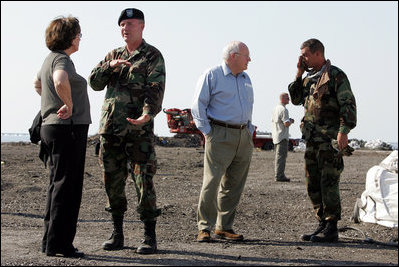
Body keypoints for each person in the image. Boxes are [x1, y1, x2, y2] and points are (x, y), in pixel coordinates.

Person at [88, 8, 165, 254]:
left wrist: (147, 114)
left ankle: (149, 236)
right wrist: (109, 66)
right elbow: (95, 82)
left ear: (142, 26)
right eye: (122, 24)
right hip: (110, 130)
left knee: (143, 181)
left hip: (138, 132)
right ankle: (117, 233)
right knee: (112, 182)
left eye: (130, 24)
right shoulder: (113, 54)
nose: (125, 28)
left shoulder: (152, 56)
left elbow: (155, 88)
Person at [33, 15, 91, 257]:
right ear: (69, 37)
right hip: (67, 129)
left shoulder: (50, 59)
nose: (80, 38)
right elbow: (59, 80)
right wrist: (66, 104)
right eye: (78, 34)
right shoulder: (62, 61)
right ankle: (61, 244)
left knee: (57, 185)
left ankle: (50, 241)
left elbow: (37, 83)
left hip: (52, 127)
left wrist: (52, 103)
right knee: (68, 187)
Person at [288, 38, 357, 242]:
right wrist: (299, 73)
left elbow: (348, 104)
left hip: (329, 138)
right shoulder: (309, 78)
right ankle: (322, 222)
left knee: (329, 181)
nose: (303, 58)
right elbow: (296, 99)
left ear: (318, 53)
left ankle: (332, 226)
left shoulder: (335, 75)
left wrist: (343, 130)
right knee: (313, 182)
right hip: (312, 138)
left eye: (306, 55)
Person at [191, 41, 254, 242]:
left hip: (242, 136)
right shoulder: (212, 75)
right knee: (212, 182)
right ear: (234, 56)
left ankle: (224, 227)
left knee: (234, 184)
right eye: (246, 56)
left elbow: (247, 106)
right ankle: (204, 228)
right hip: (219, 133)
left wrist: (249, 130)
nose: (249, 60)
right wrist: (208, 132)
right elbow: (198, 105)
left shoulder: (246, 78)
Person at [271, 93, 294, 182]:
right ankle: (279, 176)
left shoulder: (275, 109)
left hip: (276, 135)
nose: (289, 99)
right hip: (282, 136)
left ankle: (278, 174)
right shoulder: (284, 110)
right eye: (287, 98)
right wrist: (291, 121)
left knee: (278, 156)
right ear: (282, 99)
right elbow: (286, 123)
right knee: (281, 157)